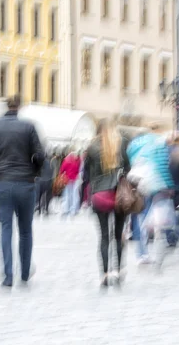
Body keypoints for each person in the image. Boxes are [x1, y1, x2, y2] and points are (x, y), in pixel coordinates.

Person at [0, 95, 45, 288]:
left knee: (6, 229)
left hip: (3, 182)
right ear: (19, 107)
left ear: (6, 106)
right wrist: (34, 172)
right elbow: (40, 155)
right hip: (26, 182)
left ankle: (7, 275)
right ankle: (24, 273)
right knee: (26, 230)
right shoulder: (29, 127)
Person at [85, 119, 130, 287]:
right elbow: (128, 167)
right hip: (118, 195)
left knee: (104, 237)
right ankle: (118, 271)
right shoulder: (121, 142)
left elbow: (86, 175)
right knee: (118, 236)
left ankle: (104, 274)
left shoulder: (92, 147)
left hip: (99, 195)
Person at [59, 149, 81, 216]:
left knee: (67, 194)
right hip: (74, 180)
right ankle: (73, 210)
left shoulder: (66, 160)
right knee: (74, 194)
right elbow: (77, 170)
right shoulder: (76, 161)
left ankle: (66, 209)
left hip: (67, 180)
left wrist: (61, 175)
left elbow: (62, 170)